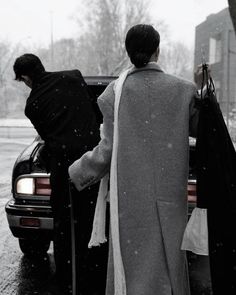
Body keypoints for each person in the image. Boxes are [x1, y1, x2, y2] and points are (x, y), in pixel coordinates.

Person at [69, 24, 200, 295]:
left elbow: (107, 150)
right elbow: (204, 136)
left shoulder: (113, 95)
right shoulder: (185, 91)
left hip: (130, 203)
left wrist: (77, 171)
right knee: (170, 273)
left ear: (128, 52)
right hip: (170, 200)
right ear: (158, 50)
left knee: (132, 278)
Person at [13, 53, 108, 295]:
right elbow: (96, 114)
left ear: (25, 78)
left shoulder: (32, 105)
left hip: (64, 170)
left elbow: (48, 138)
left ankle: (69, 280)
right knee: (93, 221)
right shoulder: (74, 77)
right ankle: (95, 276)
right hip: (94, 163)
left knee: (65, 229)